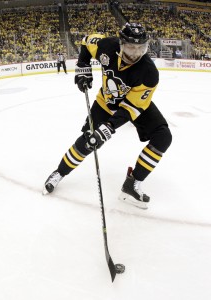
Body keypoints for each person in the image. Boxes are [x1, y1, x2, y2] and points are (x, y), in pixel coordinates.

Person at [43, 23, 172, 209]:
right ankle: (59, 172)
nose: (135, 53)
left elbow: (132, 107)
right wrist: (83, 68)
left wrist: (108, 128)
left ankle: (132, 184)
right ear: (121, 44)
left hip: (132, 105)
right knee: (89, 141)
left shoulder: (149, 72)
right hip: (106, 102)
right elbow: (87, 42)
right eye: (130, 47)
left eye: (140, 48)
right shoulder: (106, 46)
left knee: (163, 136)